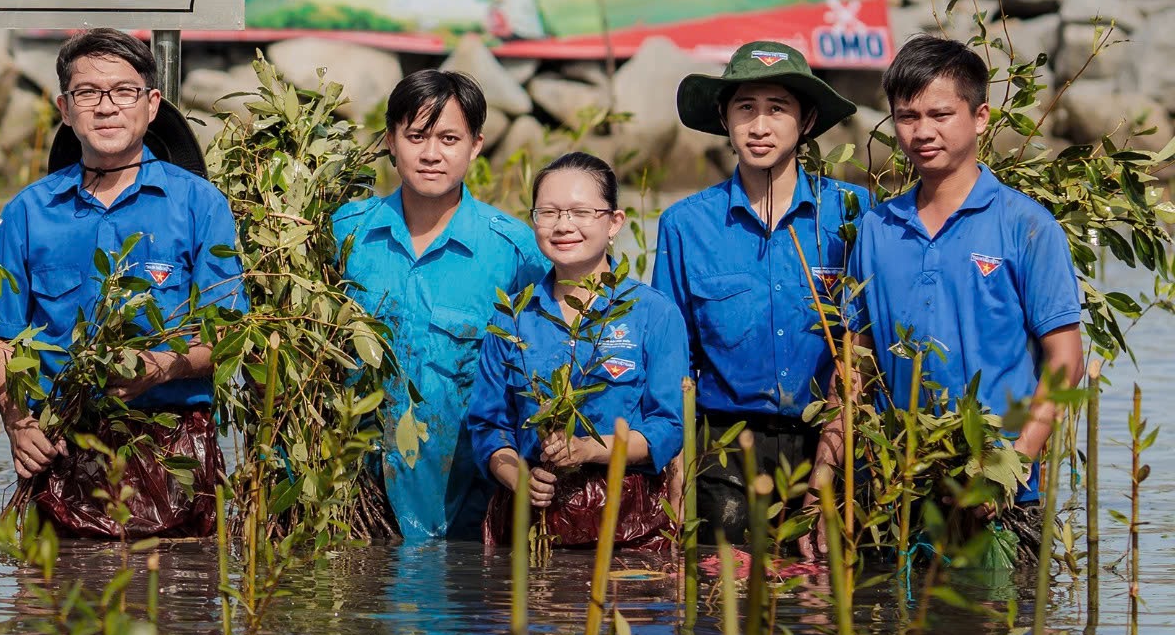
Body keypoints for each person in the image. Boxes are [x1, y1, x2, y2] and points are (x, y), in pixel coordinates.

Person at [0, 28, 242, 540]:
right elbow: (1, 340)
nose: (106, 107)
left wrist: (157, 368)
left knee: (177, 608)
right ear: (65, 108)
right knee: (51, 609)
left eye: (123, 91)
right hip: (60, 444)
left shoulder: (200, 205)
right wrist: (18, 424)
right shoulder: (27, 212)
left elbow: (231, 336)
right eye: (88, 93)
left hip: (171, 446)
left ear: (151, 105)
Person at [848, 36, 1083, 520]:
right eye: (908, 117)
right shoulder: (877, 228)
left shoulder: (1027, 225)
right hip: (903, 483)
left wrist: (1013, 462)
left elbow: (1065, 362)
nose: (922, 132)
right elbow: (859, 357)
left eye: (940, 115)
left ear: (980, 117)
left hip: (1008, 489)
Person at [654, 41, 871, 540]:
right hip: (724, 449)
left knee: (824, 599)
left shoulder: (854, 213)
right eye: (745, 108)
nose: (759, 126)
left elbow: (862, 350)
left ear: (808, 120)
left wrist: (829, 467)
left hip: (831, 439)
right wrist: (677, 468)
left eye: (778, 109)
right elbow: (673, 361)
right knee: (720, 602)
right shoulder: (685, 225)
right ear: (725, 120)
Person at [332, 70, 547, 541]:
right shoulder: (342, 233)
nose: (431, 154)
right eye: (416, 136)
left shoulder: (514, 252)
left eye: (449, 138)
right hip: (351, 509)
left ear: (476, 145)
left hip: (466, 519)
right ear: (391, 141)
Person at [468, 153, 688, 548]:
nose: (563, 226)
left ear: (614, 223)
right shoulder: (512, 317)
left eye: (581, 212)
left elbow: (668, 427)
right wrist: (521, 478)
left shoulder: (654, 313)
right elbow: (488, 425)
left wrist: (588, 448)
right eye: (548, 213)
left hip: (626, 520)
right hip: (530, 518)